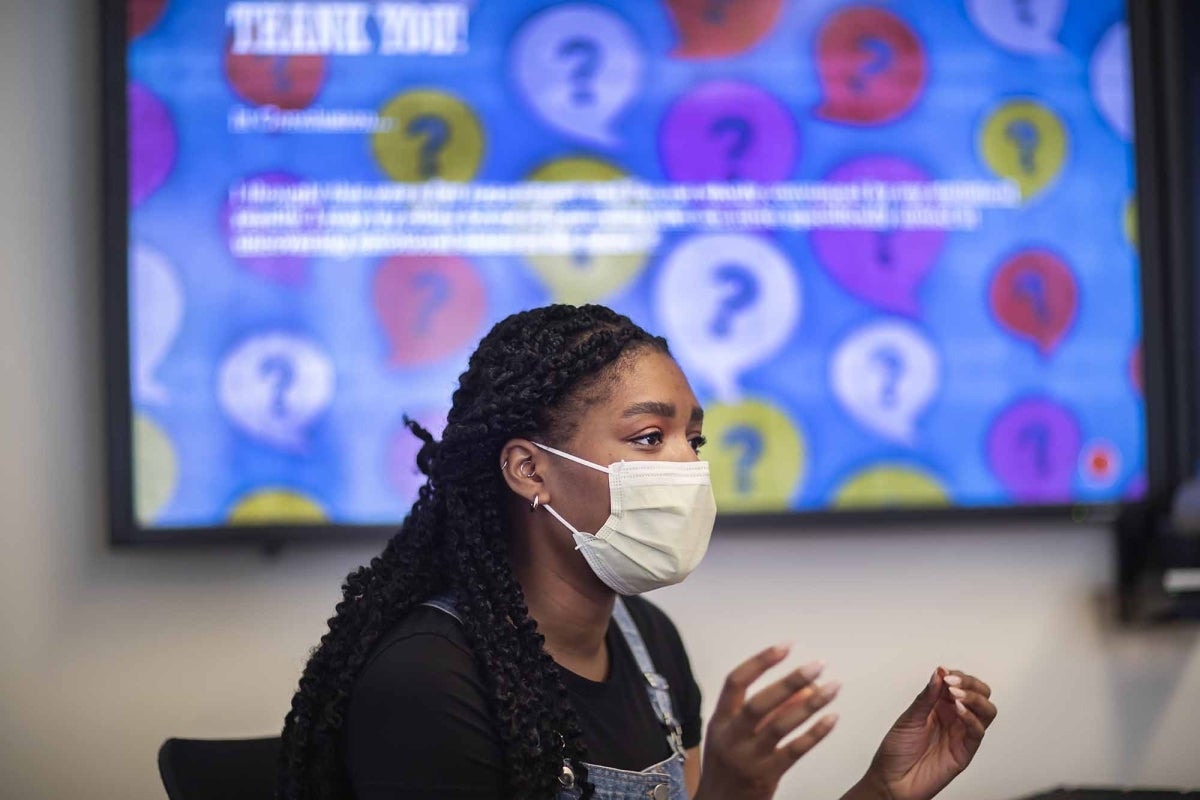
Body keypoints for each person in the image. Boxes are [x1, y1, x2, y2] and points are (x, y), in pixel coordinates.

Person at [279, 304, 996, 800]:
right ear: (531, 470)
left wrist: (884, 789)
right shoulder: (428, 682)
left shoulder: (646, 638)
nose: (687, 465)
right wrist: (731, 789)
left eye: (695, 439)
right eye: (650, 438)